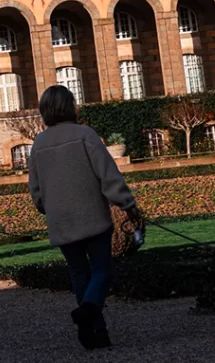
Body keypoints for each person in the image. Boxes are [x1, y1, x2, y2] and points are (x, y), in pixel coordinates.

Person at [27, 85, 141, 350]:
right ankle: (89, 310)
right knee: (102, 270)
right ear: (70, 106)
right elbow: (108, 175)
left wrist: (47, 207)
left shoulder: (39, 143)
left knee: (79, 274)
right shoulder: (85, 135)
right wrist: (128, 204)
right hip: (92, 216)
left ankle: (93, 332)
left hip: (61, 220)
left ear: (45, 111)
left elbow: (36, 188)